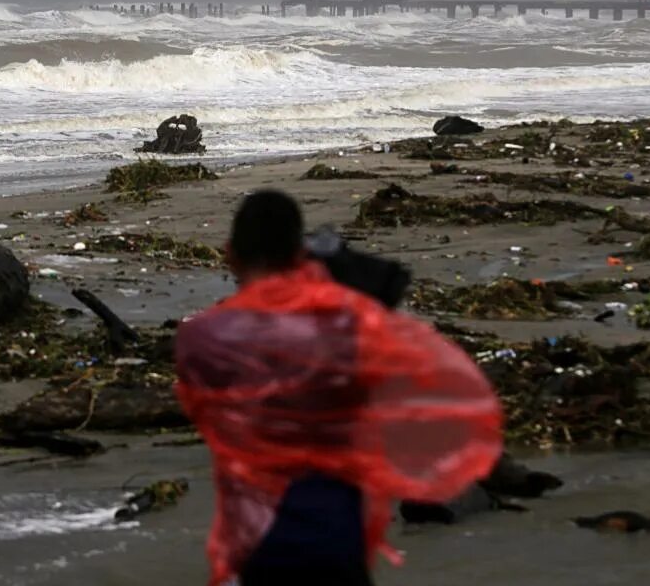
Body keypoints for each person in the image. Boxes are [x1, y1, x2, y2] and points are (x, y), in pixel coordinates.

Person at [175, 190, 503, 586]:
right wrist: (334, 266)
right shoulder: (348, 324)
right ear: (299, 255)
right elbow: (390, 289)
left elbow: (204, 404)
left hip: (257, 540)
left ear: (230, 253)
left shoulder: (203, 337)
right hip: (338, 535)